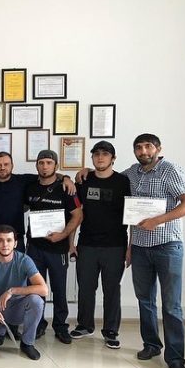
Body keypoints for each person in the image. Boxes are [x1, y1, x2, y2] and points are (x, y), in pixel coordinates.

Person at [123, 134, 185, 368]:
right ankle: (151, 345)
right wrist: (130, 247)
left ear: (158, 148)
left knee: (171, 305)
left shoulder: (170, 170)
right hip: (140, 247)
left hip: (168, 246)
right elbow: (110, 179)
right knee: (145, 300)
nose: (143, 151)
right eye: (138, 147)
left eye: (148, 146)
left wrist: (157, 220)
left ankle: (175, 358)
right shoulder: (132, 173)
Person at [70, 141, 130, 349]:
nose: (100, 157)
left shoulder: (123, 182)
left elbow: (132, 216)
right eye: (96, 154)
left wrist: (130, 247)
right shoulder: (83, 180)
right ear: (92, 158)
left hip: (115, 245)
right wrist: (71, 243)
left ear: (113, 158)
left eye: (105, 154)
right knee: (86, 287)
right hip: (87, 244)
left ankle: (111, 330)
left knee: (112, 289)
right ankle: (85, 325)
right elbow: (75, 214)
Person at [25, 150, 82, 344]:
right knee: (36, 289)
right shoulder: (30, 187)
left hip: (58, 249)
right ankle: (38, 324)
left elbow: (78, 215)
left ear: (56, 166)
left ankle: (60, 326)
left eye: (49, 163)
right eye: (41, 163)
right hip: (34, 247)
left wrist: (64, 235)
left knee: (59, 289)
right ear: (36, 165)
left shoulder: (66, 188)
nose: (45, 166)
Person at [0, 225, 47, 360]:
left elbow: (44, 289)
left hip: (18, 306)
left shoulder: (24, 260)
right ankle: (1, 330)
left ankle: (27, 343)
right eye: (0, 240)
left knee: (36, 301)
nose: (5, 244)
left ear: (15, 243)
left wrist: (12, 291)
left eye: (9, 240)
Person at [0, 152, 75, 252]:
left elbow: (47, 175)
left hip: (16, 239)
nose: (2, 167)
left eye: (6, 164)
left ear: (12, 165)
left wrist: (65, 178)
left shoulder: (23, 180)